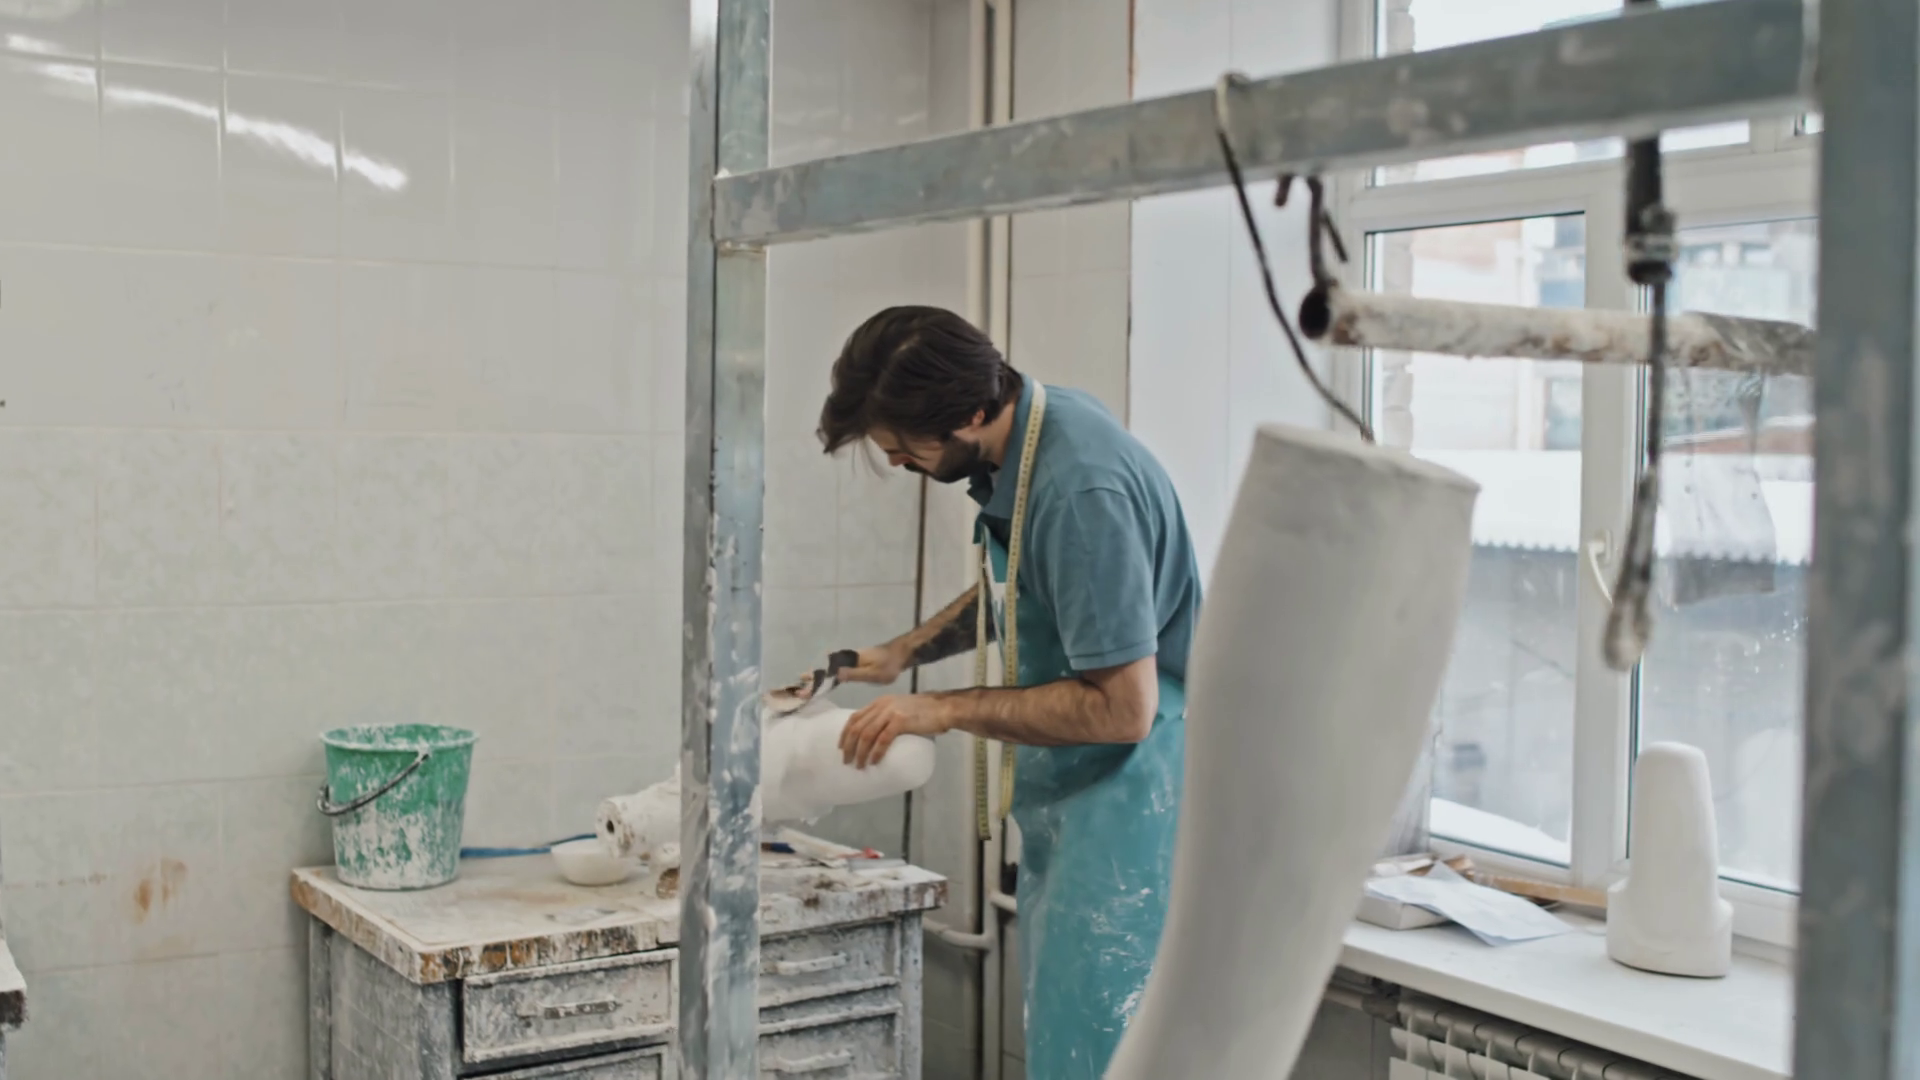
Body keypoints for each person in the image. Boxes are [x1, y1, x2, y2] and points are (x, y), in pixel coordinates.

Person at [806, 305, 1203, 1079]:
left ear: (973, 413)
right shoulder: (1038, 429)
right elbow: (1024, 578)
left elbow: (1124, 709)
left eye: (903, 448)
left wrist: (944, 709)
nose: (895, 463)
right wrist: (904, 653)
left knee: (1099, 1055)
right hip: (1082, 802)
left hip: (1129, 803)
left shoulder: (1080, 490)